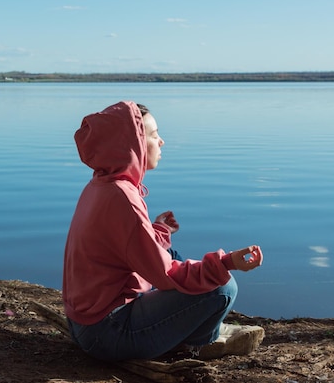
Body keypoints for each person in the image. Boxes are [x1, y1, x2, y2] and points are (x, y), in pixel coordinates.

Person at [62, 100, 264, 361]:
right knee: (223, 287)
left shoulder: (102, 184)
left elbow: (125, 247)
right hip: (108, 333)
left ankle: (185, 332)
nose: (162, 142)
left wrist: (159, 230)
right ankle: (198, 342)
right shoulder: (122, 197)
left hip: (84, 323)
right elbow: (164, 274)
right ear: (131, 144)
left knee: (174, 253)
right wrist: (227, 262)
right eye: (154, 135)